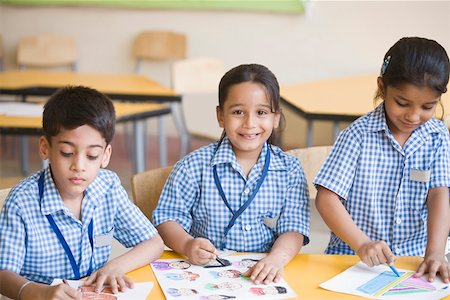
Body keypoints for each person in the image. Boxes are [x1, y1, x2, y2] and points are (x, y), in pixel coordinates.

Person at [0, 86, 164, 299]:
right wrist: (36, 292)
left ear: (105, 155)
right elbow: (3, 272)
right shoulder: (21, 202)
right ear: (44, 147)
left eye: (92, 155)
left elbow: (153, 243)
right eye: (67, 153)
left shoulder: (108, 187)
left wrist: (115, 266)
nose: (79, 165)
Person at [153, 64, 310, 285]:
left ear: (275, 118)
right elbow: (167, 218)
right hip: (205, 275)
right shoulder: (192, 166)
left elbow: (294, 228)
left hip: (264, 276)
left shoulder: (289, 169)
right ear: (220, 116)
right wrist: (187, 244)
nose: (250, 123)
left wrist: (277, 258)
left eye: (261, 112)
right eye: (238, 112)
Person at [314, 37, 450, 283]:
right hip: (352, 258)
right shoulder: (358, 135)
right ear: (382, 87)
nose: (413, 115)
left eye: (428, 106)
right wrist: (362, 243)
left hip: (415, 261)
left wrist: (435, 252)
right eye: (402, 103)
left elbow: (439, 194)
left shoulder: (438, 136)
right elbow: (327, 198)